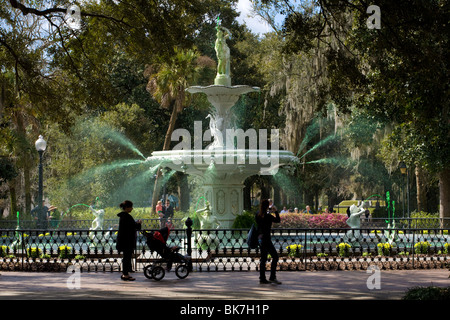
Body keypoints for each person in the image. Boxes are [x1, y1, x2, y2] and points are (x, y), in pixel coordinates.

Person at [255, 199, 281, 285]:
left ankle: (262, 278)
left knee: (263, 259)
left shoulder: (258, 214)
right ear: (268, 206)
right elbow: (278, 220)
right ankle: (272, 277)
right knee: (275, 256)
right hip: (266, 239)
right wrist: (275, 211)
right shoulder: (268, 216)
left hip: (260, 238)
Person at [116, 200, 142, 281]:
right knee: (127, 258)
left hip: (124, 241)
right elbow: (133, 227)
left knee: (126, 258)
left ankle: (126, 273)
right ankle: (125, 274)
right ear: (127, 207)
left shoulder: (123, 216)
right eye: (131, 207)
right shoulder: (126, 217)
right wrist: (139, 223)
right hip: (127, 241)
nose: (132, 208)